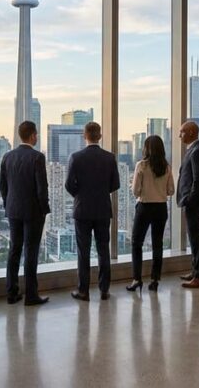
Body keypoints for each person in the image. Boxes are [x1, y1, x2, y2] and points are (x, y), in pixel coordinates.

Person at [66, 121, 120, 301]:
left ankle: (84, 291)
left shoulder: (76, 157)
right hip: (103, 209)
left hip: (82, 211)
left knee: (84, 251)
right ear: (100, 136)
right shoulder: (109, 157)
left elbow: (68, 185)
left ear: (84, 136)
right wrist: (101, 192)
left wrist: (80, 195)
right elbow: (115, 184)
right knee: (103, 250)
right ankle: (104, 290)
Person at [0, 121, 51, 305]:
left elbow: (3, 186)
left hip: (13, 210)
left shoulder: (7, 156)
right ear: (32, 135)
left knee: (14, 250)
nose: (37, 137)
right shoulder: (37, 157)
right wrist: (44, 210)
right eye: (36, 134)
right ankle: (31, 295)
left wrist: (8, 204)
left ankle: (12, 293)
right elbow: (41, 188)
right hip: (33, 212)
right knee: (31, 251)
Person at [127, 135, 174, 293]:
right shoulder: (166, 167)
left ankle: (136, 279)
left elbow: (135, 191)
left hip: (144, 207)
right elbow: (171, 190)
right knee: (157, 244)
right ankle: (154, 280)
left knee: (136, 243)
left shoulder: (141, 165)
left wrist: (143, 190)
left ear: (146, 148)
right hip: (161, 208)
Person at [176, 121, 199, 288]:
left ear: (190, 132)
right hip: (191, 202)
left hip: (194, 203)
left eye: (181, 132)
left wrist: (189, 199)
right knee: (194, 239)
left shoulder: (197, 152)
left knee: (197, 239)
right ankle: (196, 271)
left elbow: (198, 180)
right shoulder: (193, 150)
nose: (179, 135)